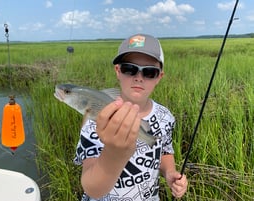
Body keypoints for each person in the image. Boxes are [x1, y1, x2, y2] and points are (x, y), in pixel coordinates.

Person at [74, 33, 188, 200]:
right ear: (118, 71)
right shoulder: (96, 120)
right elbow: (92, 189)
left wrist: (169, 172)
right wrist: (115, 152)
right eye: (129, 69)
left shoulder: (165, 117)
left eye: (149, 72)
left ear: (159, 77)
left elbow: (164, 151)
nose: (138, 77)